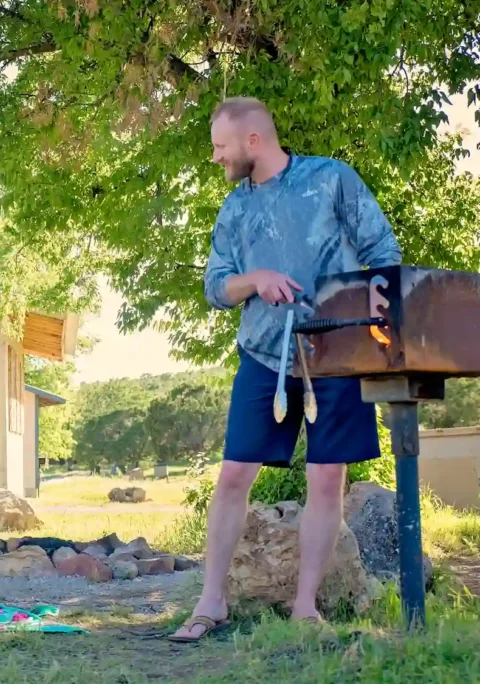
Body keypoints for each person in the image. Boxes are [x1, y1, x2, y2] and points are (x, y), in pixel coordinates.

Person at [169, 97, 402, 642]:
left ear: (253, 141)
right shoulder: (234, 209)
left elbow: (382, 250)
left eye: (220, 146)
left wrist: (376, 326)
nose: (214, 157)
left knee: (327, 480)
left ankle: (305, 607)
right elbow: (215, 286)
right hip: (262, 355)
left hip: (337, 354)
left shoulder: (332, 180)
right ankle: (212, 601)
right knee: (232, 478)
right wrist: (256, 278)